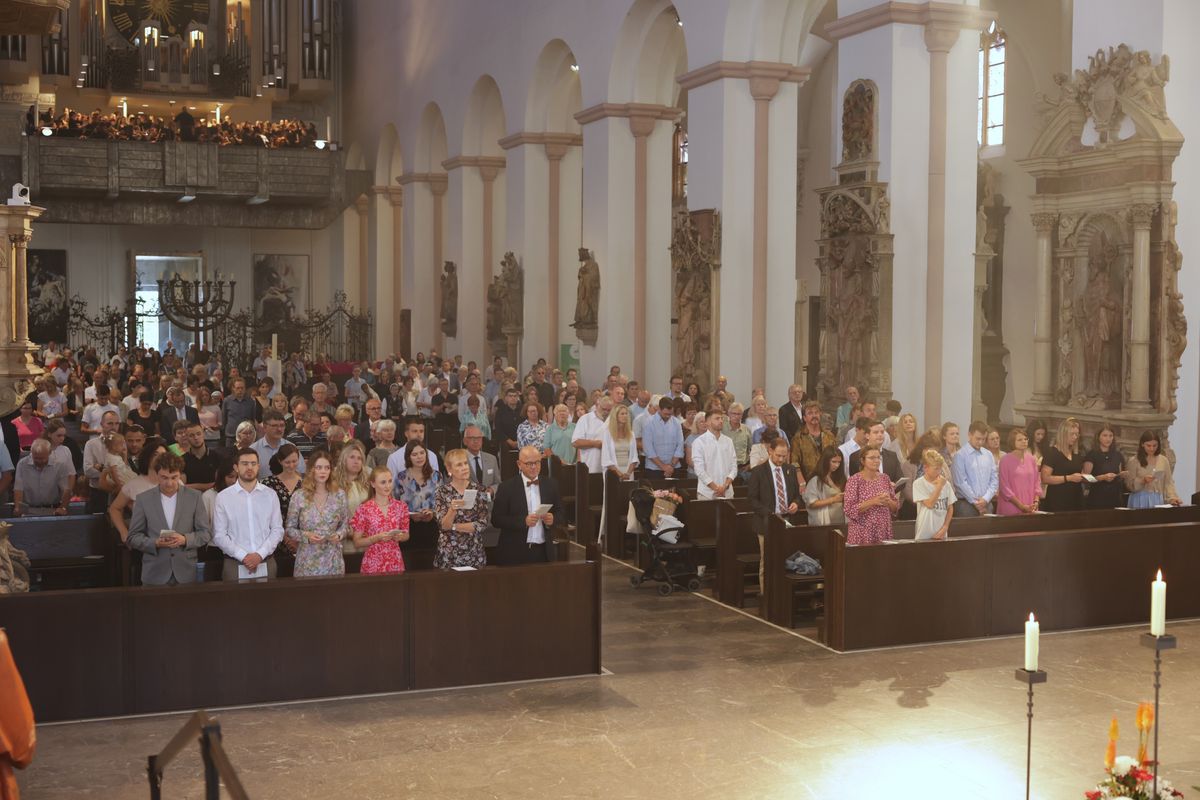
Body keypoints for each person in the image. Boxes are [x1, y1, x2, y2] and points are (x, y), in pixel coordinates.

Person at [126, 452, 211, 585]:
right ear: (156, 475)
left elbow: (205, 534)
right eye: (164, 477)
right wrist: (155, 543)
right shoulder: (143, 499)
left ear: (180, 475)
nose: (169, 483)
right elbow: (133, 537)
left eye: (174, 477)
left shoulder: (194, 497)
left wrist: (185, 539)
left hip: (186, 571)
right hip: (154, 572)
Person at [213, 448, 284, 580]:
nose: (249, 467)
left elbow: (277, 530)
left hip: (266, 561)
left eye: (253, 463)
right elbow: (219, 535)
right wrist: (243, 556)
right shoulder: (223, 497)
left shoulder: (270, 495)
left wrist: (259, 555)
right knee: (234, 595)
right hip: (234, 563)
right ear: (236, 467)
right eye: (245, 464)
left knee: (270, 594)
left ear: (258, 466)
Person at [747, 435, 802, 592]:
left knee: (787, 559)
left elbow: (797, 495)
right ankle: (766, 594)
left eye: (784, 456)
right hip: (766, 522)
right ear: (770, 451)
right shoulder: (758, 472)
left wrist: (796, 503)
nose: (781, 459)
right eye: (778, 455)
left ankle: (782, 593)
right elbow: (752, 499)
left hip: (787, 521)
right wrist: (771, 514)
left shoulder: (790, 470)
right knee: (767, 561)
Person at [490, 445, 562, 565]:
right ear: (519, 464)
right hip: (515, 552)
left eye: (537, 462)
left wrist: (553, 518)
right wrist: (523, 521)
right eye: (529, 463)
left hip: (544, 551)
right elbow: (496, 520)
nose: (534, 467)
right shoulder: (506, 487)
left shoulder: (551, 484)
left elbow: (561, 513)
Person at [285, 450, 349, 577]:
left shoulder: (340, 495)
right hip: (307, 561)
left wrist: (338, 535)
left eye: (327, 468)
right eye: (319, 467)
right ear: (311, 470)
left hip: (333, 560)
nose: (323, 471)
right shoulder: (299, 496)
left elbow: (345, 525)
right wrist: (306, 536)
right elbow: (289, 529)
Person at [432, 449, 491, 569]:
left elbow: (482, 523)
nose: (464, 467)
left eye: (465, 463)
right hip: (449, 553)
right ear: (449, 469)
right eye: (459, 465)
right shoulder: (441, 492)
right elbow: (444, 526)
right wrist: (452, 510)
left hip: (474, 552)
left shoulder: (481, 490)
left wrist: (454, 527)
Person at [351, 466, 410, 574]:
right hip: (372, 564)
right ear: (373, 484)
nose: (388, 486)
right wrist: (376, 538)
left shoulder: (401, 506)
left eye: (390, 481)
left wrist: (400, 537)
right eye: (383, 482)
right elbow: (357, 542)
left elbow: (406, 535)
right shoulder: (364, 508)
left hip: (395, 562)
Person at [843, 446, 898, 545]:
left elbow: (895, 508)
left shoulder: (885, 478)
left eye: (878, 457)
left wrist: (888, 501)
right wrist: (873, 501)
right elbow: (849, 510)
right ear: (862, 461)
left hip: (883, 530)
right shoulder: (854, 480)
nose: (876, 461)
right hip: (862, 532)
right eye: (872, 458)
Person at [394, 442, 441, 554]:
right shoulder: (401, 477)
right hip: (408, 528)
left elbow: (441, 503)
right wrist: (410, 516)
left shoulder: (436, 476)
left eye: (422, 453)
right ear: (408, 457)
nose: (419, 457)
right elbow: (395, 505)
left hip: (431, 527)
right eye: (414, 454)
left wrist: (432, 513)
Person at [261, 443, 304, 553]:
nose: (291, 465)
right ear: (280, 461)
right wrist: (286, 538)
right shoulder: (268, 484)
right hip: (275, 539)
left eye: (294, 461)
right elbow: (265, 514)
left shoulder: (307, 483)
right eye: (287, 462)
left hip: (302, 540)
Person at [950, 421, 998, 517]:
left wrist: (985, 499)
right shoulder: (960, 455)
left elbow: (994, 480)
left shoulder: (988, 455)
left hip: (987, 503)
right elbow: (960, 483)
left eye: (983, 439)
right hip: (965, 505)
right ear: (969, 435)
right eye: (978, 438)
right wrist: (976, 502)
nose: (980, 442)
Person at [1125, 430, 1181, 508]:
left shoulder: (1163, 460)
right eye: (1148, 445)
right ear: (1142, 444)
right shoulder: (1134, 461)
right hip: (1139, 500)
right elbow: (1129, 485)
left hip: (1157, 499)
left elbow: (1168, 483)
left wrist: (1172, 498)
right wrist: (1143, 480)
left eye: (1155, 445)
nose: (1152, 449)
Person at [13, 439, 70, 515]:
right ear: (31, 452)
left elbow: (65, 490)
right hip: (29, 511)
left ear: (49, 453)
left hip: (53, 510)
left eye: (42, 458)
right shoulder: (22, 464)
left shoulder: (60, 465)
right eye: (36, 458)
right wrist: (17, 508)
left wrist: (63, 508)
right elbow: (18, 489)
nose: (39, 461)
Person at [1040, 417, 1085, 512]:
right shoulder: (1052, 453)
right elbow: (1045, 478)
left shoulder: (1076, 454)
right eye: (1072, 434)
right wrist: (1068, 478)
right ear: (1063, 434)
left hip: (1076, 499)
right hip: (1057, 501)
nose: (1075, 437)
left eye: (1077, 434)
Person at [692, 410, 737, 500]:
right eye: (717, 418)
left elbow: (734, 467)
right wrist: (716, 488)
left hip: (727, 492)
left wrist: (725, 486)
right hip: (706, 493)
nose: (721, 421)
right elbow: (699, 470)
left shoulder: (728, 441)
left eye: (722, 418)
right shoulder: (699, 442)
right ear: (707, 422)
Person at [913, 449, 955, 541]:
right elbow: (930, 504)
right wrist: (939, 486)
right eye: (936, 469)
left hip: (941, 532)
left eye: (940, 468)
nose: (939, 472)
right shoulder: (918, 483)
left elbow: (950, 508)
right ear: (926, 468)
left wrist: (945, 527)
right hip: (924, 532)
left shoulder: (946, 484)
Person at [997, 429, 1041, 515]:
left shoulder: (1031, 459)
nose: (1024, 441)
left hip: (1030, 506)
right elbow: (1004, 487)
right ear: (1012, 442)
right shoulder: (1005, 460)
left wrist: (1036, 501)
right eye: (1020, 440)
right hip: (1011, 506)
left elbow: (1037, 482)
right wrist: (1021, 506)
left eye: (1025, 439)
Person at [790, 401, 836, 483]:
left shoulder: (829, 436)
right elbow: (794, 463)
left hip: (829, 480)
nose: (814, 415)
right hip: (808, 481)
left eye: (816, 412)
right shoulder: (798, 438)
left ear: (820, 414)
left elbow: (835, 457)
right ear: (804, 418)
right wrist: (801, 482)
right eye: (810, 413)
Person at [1082, 424, 1125, 509]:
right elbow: (1085, 478)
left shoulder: (1118, 455)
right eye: (1105, 435)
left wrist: (1122, 475)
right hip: (1097, 499)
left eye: (1110, 436)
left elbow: (1119, 475)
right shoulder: (1092, 455)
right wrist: (1101, 478)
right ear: (1098, 437)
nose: (1108, 439)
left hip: (1115, 498)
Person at [252, 409, 303, 479]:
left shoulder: (292, 448)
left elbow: (301, 472)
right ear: (265, 427)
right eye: (274, 426)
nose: (279, 429)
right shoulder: (254, 450)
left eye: (282, 425)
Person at [641, 399, 684, 479]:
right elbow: (648, 449)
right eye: (665, 414)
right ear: (659, 409)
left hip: (674, 468)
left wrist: (671, 466)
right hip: (654, 469)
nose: (668, 416)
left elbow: (680, 445)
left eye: (670, 414)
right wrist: (663, 467)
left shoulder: (676, 423)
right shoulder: (649, 423)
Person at [804, 447, 846, 526]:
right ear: (826, 461)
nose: (837, 465)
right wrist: (833, 499)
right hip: (824, 523)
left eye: (839, 462)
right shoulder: (815, 480)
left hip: (841, 520)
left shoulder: (841, 477)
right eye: (834, 462)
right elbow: (812, 503)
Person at [571, 395, 612, 474]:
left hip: (610, 469)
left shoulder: (613, 420)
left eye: (609, 410)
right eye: (604, 409)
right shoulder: (585, 419)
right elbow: (575, 442)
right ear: (597, 405)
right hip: (590, 467)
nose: (606, 412)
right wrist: (595, 443)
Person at [601, 404, 638, 482]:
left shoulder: (631, 434)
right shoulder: (607, 434)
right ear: (615, 416)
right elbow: (606, 458)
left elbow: (634, 457)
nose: (625, 416)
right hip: (613, 473)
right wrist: (620, 474)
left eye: (626, 414)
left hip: (628, 473)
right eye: (622, 414)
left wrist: (628, 474)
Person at [462, 426, 500, 492]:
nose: (476, 441)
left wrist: (492, 490)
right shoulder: (459, 459)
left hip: (488, 498)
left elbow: (498, 483)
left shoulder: (492, 459)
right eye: (472, 438)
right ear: (465, 441)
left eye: (479, 438)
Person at [725, 403, 752, 480]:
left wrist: (750, 464)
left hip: (742, 468)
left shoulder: (746, 429)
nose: (736, 416)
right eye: (734, 413)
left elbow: (752, 449)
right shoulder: (722, 429)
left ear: (742, 415)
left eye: (739, 414)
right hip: (727, 468)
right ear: (729, 414)